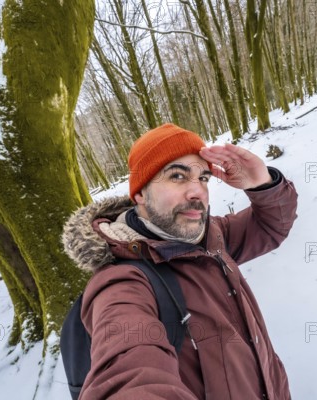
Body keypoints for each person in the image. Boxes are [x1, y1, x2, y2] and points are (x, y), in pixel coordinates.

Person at [62, 123, 298, 399]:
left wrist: (262, 184)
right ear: (140, 193)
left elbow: (270, 226)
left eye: (204, 178)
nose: (198, 191)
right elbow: (129, 376)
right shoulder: (122, 283)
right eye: (177, 176)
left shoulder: (212, 236)